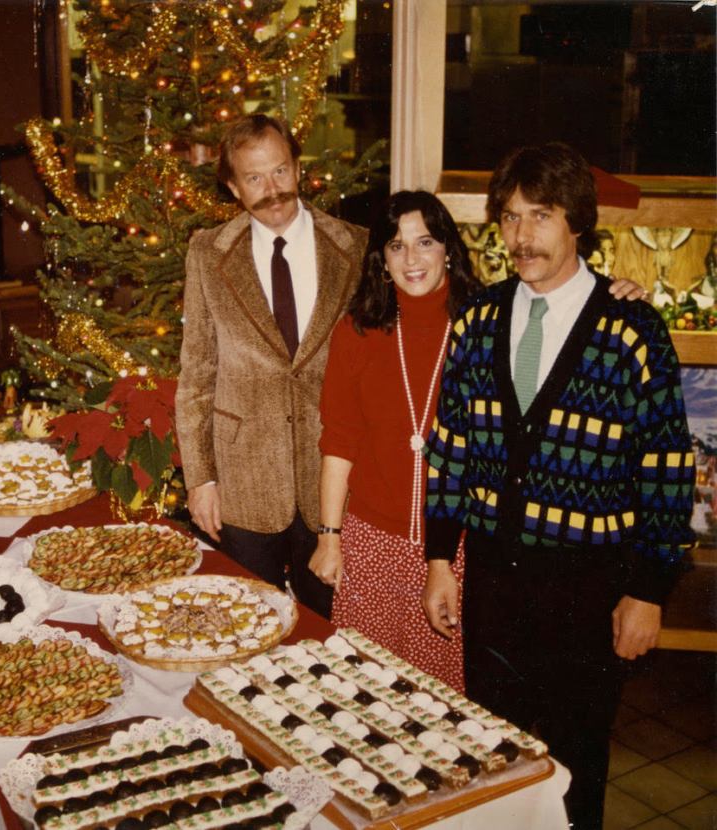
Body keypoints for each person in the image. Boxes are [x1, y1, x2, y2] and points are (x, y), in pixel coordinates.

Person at [421, 142, 695, 830]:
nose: (521, 237)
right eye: (510, 218)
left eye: (540, 217)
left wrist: (647, 591)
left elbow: (666, 470)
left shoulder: (632, 331)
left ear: (577, 222)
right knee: (496, 757)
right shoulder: (477, 323)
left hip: (587, 586)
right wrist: (439, 560)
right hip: (494, 578)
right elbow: (450, 451)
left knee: (576, 765)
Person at [175, 114, 368, 618]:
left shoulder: (354, 248)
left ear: (299, 168)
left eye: (280, 171)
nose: (272, 190)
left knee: (332, 628)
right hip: (244, 485)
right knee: (248, 625)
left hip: (334, 485)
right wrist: (201, 481)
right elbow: (196, 376)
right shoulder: (208, 253)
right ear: (234, 187)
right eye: (255, 178)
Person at [308, 191, 482, 691]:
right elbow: (339, 441)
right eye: (397, 246)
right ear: (380, 260)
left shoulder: (482, 324)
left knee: (444, 700)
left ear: (448, 248)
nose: (412, 259)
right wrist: (329, 537)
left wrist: (620, 292)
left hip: (457, 547)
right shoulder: (357, 331)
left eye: (425, 242)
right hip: (371, 544)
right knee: (365, 694)